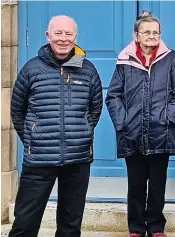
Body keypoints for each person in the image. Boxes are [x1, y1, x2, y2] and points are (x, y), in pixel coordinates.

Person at [9, 15, 103, 237]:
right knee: (25, 224)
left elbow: (94, 110)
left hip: (77, 159)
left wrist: (82, 133)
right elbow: (17, 111)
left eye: (68, 34)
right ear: (48, 36)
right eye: (58, 33)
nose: (63, 39)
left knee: (70, 227)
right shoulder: (31, 70)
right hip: (39, 159)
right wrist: (33, 139)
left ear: (75, 37)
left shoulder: (88, 70)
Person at [105, 10, 175, 237]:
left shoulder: (170, 58)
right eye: (147, 32)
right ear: (136, 35)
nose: (152, 36)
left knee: (158, 184)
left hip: (162, 133)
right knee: (136, 185)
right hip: (132, 133)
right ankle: (136, 227)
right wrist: (122, 123)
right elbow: (113, 96)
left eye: (156, 32)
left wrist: (167, 119)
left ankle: (156, 226)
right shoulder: (124, 61)